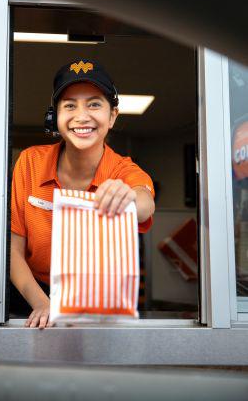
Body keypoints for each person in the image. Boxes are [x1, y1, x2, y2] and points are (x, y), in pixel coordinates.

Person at [11, 59, 155, 329]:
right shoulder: (29, 162)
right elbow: (13, 251)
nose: (81, 115)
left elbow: (145, 204)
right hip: (31, 296)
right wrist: (42, 303)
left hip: (100, 299)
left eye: (94, 104)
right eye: (69, 105)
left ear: (112, 116)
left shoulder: (123, 169)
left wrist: (129, 196)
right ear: (55, 115)